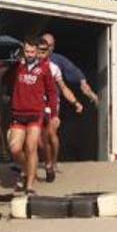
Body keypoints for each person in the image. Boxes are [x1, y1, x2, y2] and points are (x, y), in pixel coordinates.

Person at [7, 37, 58, 194]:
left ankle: (29, 185)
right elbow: (6, 81)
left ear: (37, 51)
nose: (29, 54)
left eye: (32, 51)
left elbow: (52, 92)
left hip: (36, 114)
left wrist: (53, 113)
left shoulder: (44, 68)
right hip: (18, 113)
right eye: (27, 51)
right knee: (15, 148)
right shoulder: (17, 66)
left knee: (31, 147)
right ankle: (26, 169)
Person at [36, 34, 85, 182]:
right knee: (39, 139)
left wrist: (75, 102)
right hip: (35, 104)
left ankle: (53, 163)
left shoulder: (55, 66)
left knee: (51, 133)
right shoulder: (28, 64)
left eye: (49, 47)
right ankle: (46, 162)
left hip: (52, 104)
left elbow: (64, 88)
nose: (46, 50)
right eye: (43, 48)